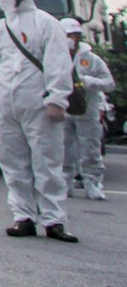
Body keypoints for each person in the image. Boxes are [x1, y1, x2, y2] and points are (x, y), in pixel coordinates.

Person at [0, 0, 77, 242]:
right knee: (12, 161)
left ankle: (54, 219)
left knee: (47, 161)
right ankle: (23, 216)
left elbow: (59, 64)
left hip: (39, 103)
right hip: (5, 103)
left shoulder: (46, 23)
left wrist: (57, 99)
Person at [60, 17, 115, 201]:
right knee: (63, 149)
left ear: (78, 36)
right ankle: (64, 183)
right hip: (64, 109)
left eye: (72, 35)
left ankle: (93, 183)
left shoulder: (91, 59)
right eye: (65, 35)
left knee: (90, 148)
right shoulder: (55, 57)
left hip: (87, 109)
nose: (69, 38)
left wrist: (88, 81)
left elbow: (109, 84)